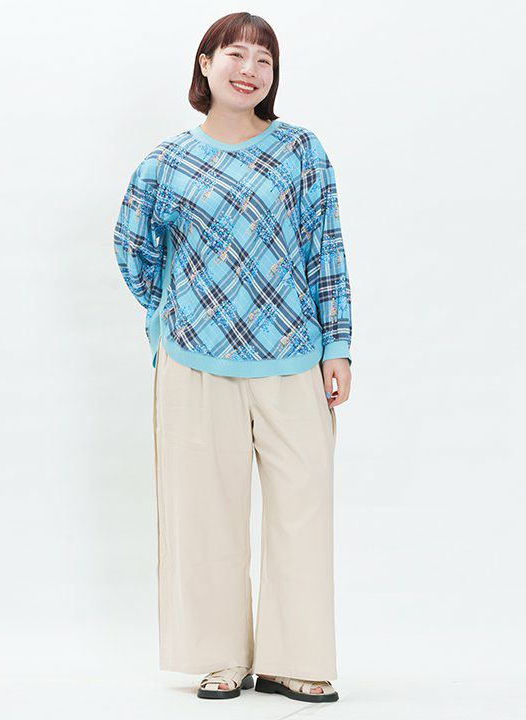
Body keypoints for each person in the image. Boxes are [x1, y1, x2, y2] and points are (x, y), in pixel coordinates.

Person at [113, 11, 352, 704]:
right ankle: (216, 657)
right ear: (205, 63)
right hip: (194, 364)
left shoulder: (301, 151)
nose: (250, 71)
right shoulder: (165, 163)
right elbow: (133, 247)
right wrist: (166, 320)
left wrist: (337, 344)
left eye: (264, 61)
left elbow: (326, 249)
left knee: (303, 510)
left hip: (294, 357)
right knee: (204, 515)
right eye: (236, 55)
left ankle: (295, 660)